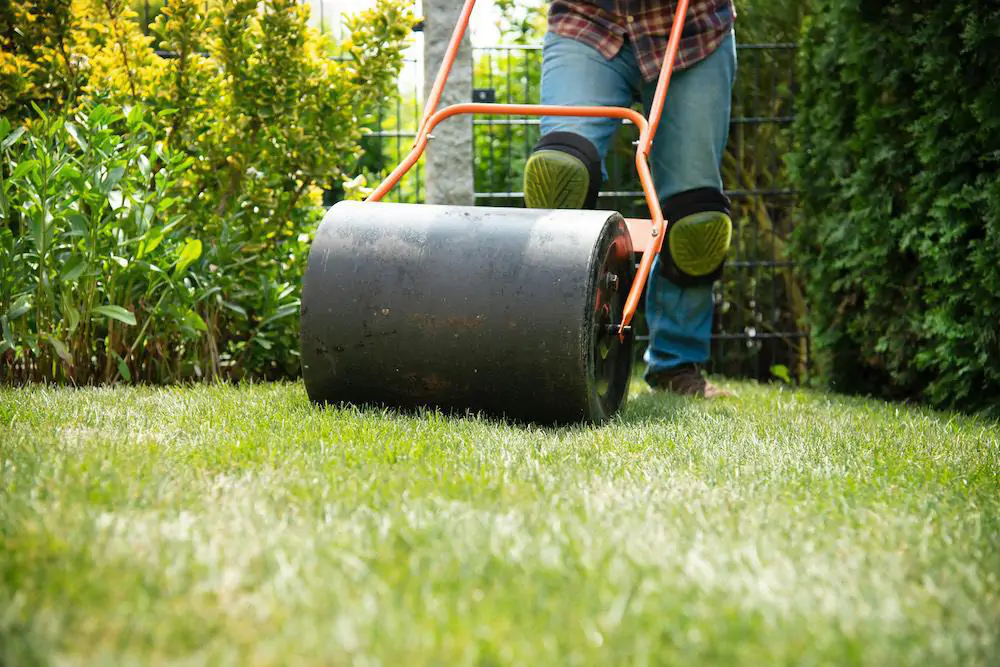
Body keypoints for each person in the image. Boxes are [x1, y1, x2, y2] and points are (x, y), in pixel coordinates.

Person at [523, 0, 737, 398]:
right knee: (560, 173)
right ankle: (549, 345)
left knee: (697, 221)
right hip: (588, 21)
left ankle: (676, 365)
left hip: (693, 31)